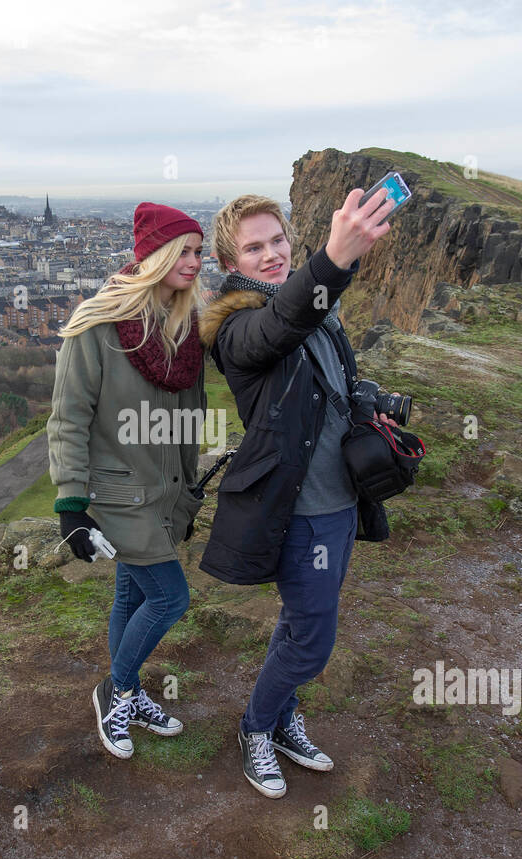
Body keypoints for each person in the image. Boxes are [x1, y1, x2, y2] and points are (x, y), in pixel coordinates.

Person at [199, 188, 399, 798]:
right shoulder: (236, 328)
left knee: (300, 618)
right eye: (253, 247)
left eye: (278, 240)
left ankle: (283, 719)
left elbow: (324, 350)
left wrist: (367, 408)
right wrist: (334, 259)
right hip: (299, 510)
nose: (271, 255)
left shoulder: (319, 312)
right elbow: (282, 323)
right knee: (313, 637)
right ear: (232, 263)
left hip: (340, 498)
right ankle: (257, 726)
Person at [47, 202, 207, 761]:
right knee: (170, 598)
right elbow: (68, 418)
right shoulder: (96, 325)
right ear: (155, 255)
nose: (194, 261)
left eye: (198, 250)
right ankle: (114, 690)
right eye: (183, 251)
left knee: (132, 592)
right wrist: (71, 504)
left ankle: (131, 693)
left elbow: (192, 415)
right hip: (119, 494)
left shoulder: (185, 328)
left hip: (164, 491)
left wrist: (190, 483)